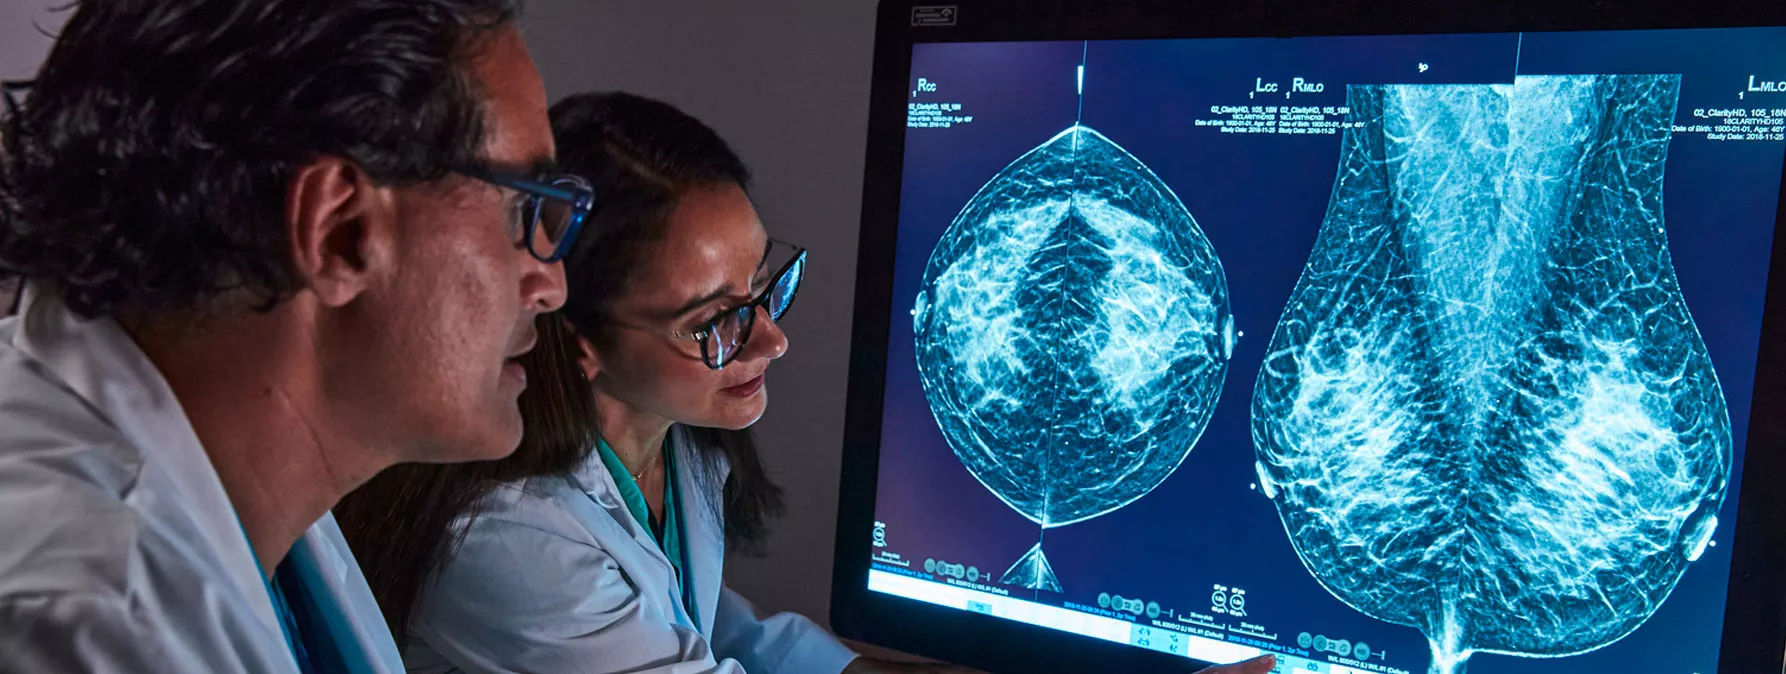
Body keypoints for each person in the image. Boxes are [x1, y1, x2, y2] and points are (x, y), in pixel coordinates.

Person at [334, 91, 1276, 674]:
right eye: (716, 321)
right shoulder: (508, 542)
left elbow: (720, 635)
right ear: (576, 339)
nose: (774, 339)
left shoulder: (675, 448)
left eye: (765, 285)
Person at [0, 0, 585, 670]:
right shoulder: (90, 630)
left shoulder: (263, 507)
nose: (552, 286)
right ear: (340, 230)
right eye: (524, 207)